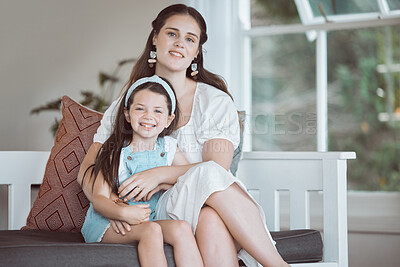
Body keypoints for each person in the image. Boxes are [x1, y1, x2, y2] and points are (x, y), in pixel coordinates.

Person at [78, 4, 289, 267]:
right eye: (172, 34)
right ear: (155, 38)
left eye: (190, 39)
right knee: (208, 215)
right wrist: (116, 210)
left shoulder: (214, 102)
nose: (180, 44)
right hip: (154, 210)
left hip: (207, 205)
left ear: (197, 51)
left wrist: (158, 175)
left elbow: (215, 175)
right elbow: (87, 170)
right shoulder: (128, 102)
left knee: (210, 211)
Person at [80, 75, 203, 267]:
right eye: (140, 109)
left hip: (147, 220)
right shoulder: (114, 151)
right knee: (151, 231)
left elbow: (190, 173)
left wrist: (163, 180)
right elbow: (99, 200)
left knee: (181, 228)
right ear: (127, 114)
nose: (148, 116)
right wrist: (122, 213)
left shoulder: (169, 147)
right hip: (107, 224)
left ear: (169, 119)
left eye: (158, 111)